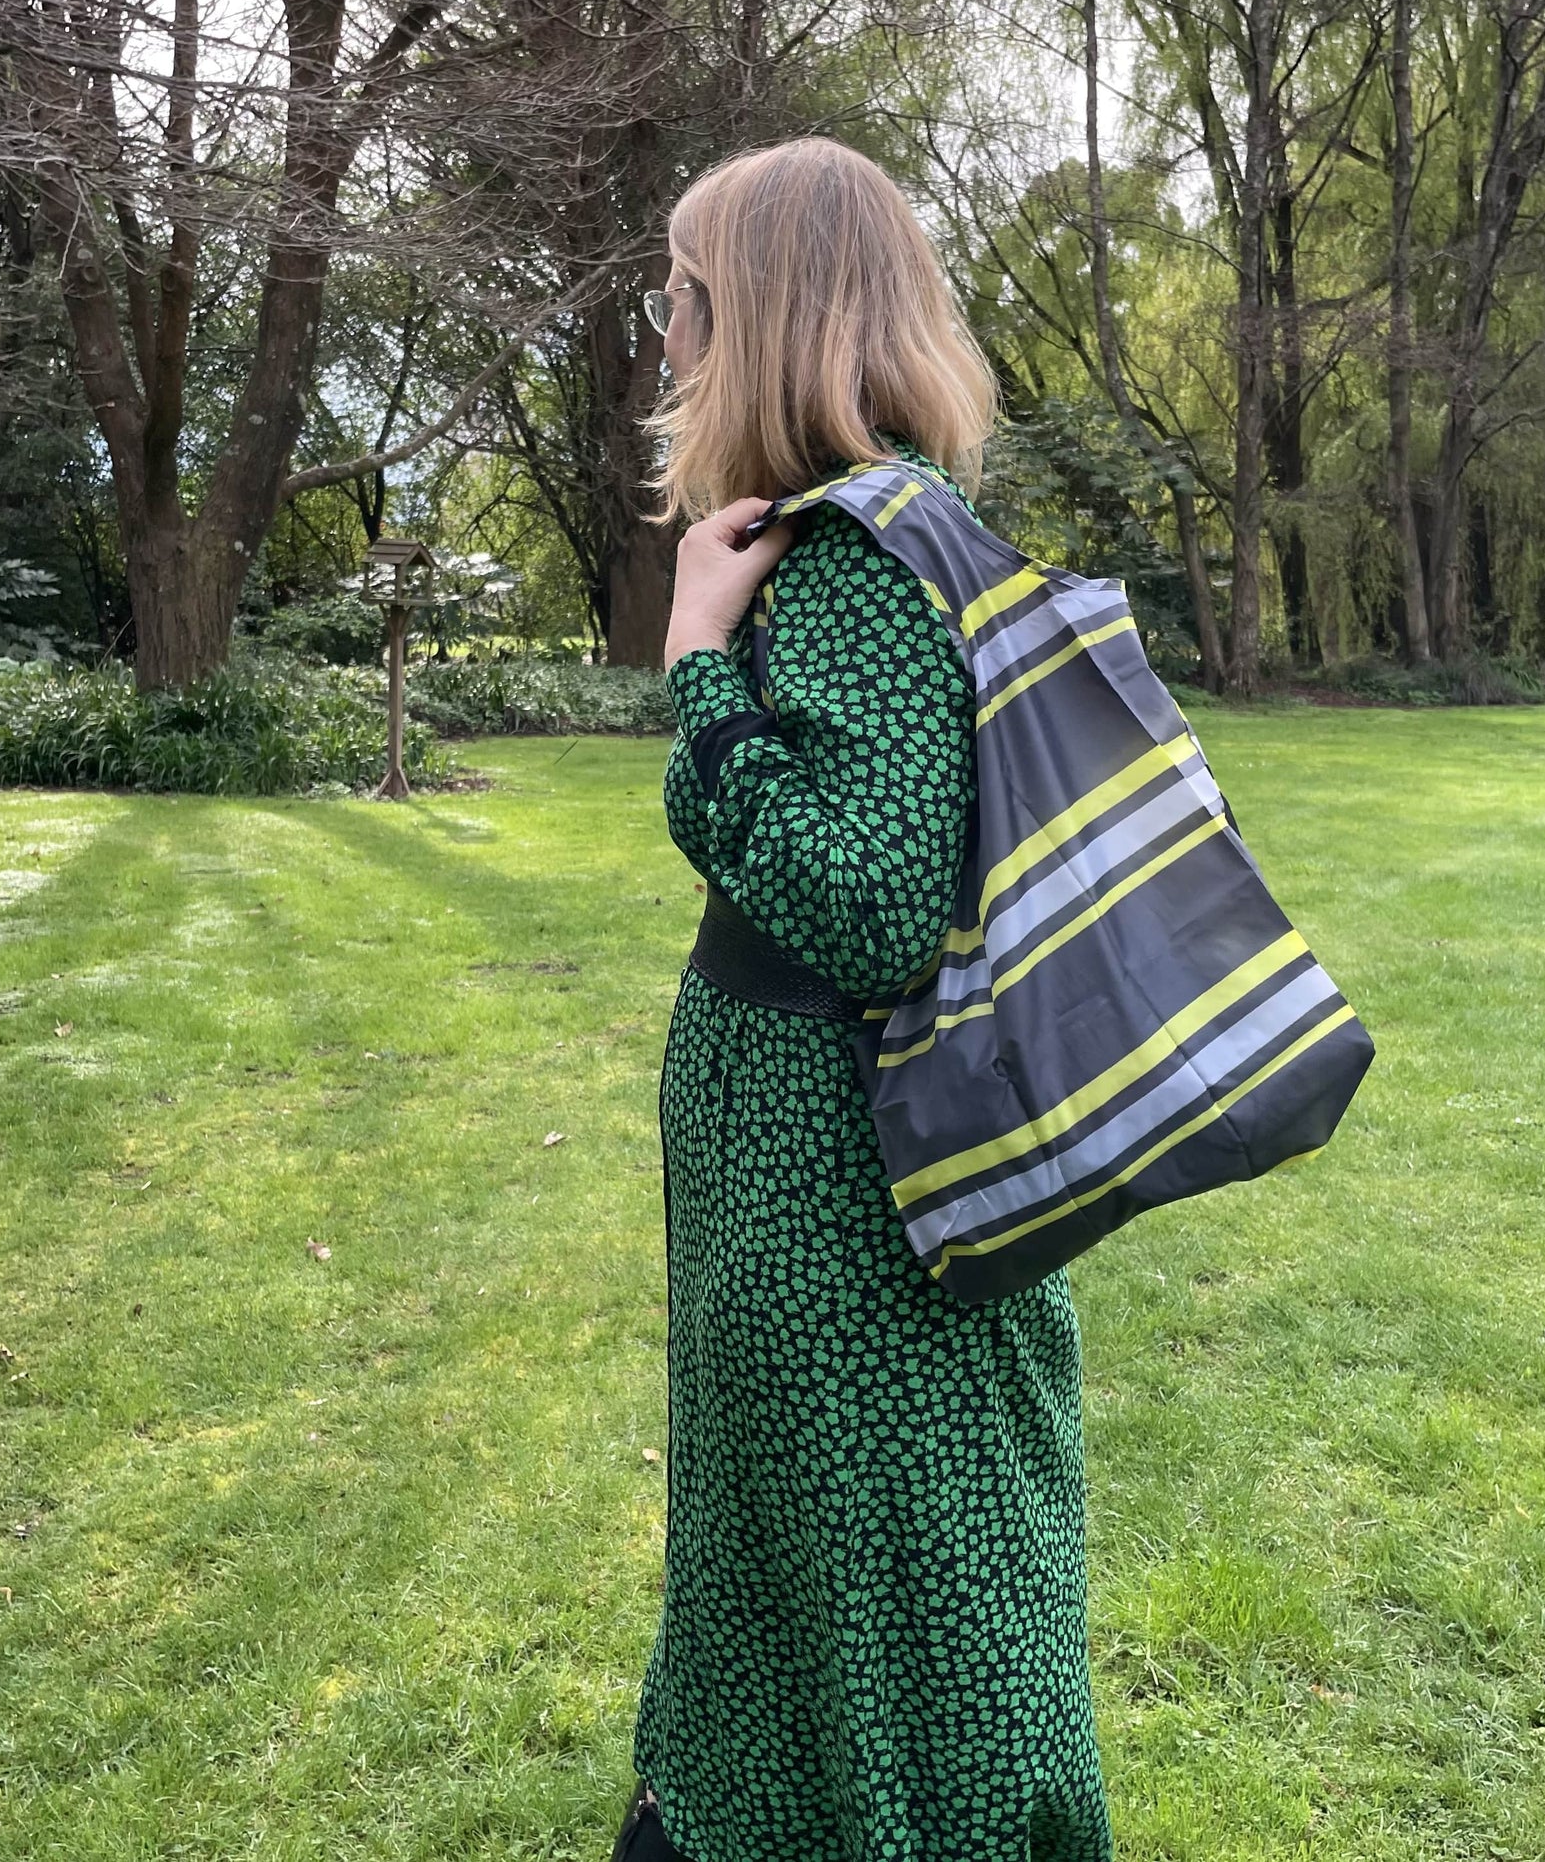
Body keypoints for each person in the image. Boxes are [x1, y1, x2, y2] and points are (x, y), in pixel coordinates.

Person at [614, 136, 1113, 1862]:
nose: (664, 337)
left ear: (744, 315)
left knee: (873, 1530)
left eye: (676, 299)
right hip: (816, 1152)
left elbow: (868, 898)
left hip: (834, 1175)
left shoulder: (840, 564)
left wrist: (696, 678)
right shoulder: (870, 539)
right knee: (845, 1523)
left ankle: (863, 1819)